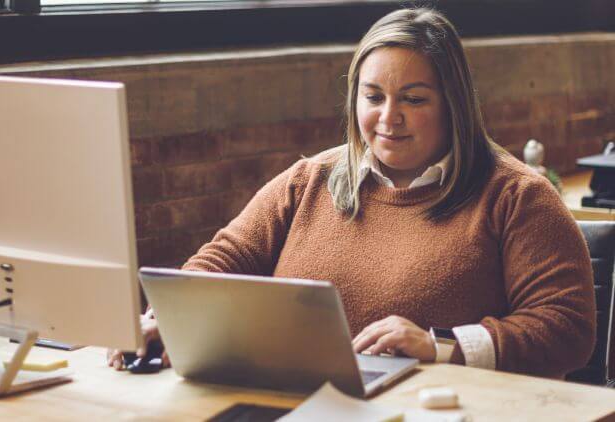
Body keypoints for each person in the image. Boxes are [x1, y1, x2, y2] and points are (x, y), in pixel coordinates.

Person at [109, 8, 596, 378]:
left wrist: (440, 345)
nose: (389, 118)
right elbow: (223, 259)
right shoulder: (310, 179)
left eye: (414, 99)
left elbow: (567, 329)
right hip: (289, 397)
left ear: (454, 105)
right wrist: (166, 319)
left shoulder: (516, 196)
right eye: (373, 97)